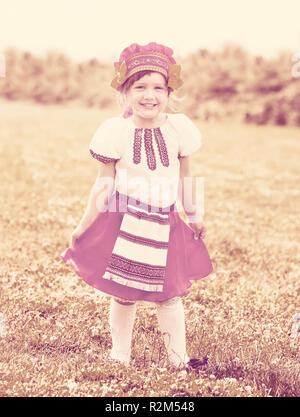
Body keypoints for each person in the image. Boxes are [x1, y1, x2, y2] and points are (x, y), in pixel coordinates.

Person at [61, 42, 213, 370]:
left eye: (158, 87)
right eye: (140, 86)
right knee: (123, 294)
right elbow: (103, 184)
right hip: (123, 223)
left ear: (169, 93)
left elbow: (185, 179)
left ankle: (178, 360)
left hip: (165, 223)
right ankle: (120, 355)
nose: (149, 95)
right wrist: (84, 224)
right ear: (125, 93)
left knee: (169, 295)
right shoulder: (116, 131)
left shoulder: (178, 129)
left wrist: (194, 215)